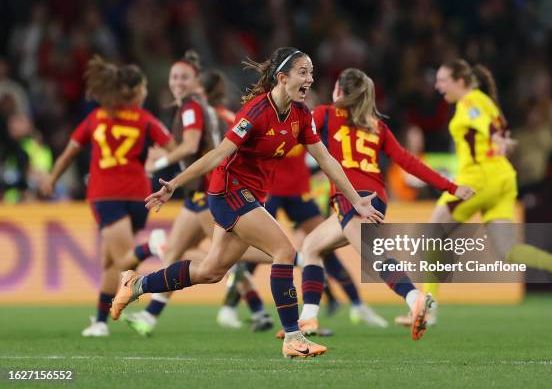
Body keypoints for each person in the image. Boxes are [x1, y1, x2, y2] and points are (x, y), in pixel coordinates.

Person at [110, 47, 384, 358]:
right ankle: (294, 337)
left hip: (252, 197)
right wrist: (174, 183)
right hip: (229, 192)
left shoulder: (301, 115)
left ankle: (137, 284)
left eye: (311, 72)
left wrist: (356, 201)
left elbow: (327, 161)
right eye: (303, 73)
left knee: (211, 272)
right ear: (282, 78)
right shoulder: (256, 111)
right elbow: (217, 155)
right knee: (285, 250)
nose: (311, 79)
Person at [288, 68, 474, 341]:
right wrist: (451, 186)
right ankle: (307, 319)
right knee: (311, 246)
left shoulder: (325, 114)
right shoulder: (376, 125)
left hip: (351, 198)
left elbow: (293, 137)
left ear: (339, 91)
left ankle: (415, 300)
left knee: (373, 257)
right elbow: (409, 162)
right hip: (375, 198)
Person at [403, 60, 552, 325]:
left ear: (461, 81)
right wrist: (499, 139)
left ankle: (427, 309)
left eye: (443, 80)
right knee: (508, 250)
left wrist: (497, 139)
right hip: (502, 178)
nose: (437, 85)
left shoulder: (470, 102)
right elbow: (491, 124)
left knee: (433, 232)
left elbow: (485, 126)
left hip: (478, 179)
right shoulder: (486, 101)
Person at [122, 55, 272, 336]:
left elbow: (191, 145)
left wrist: (159, 162)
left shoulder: (192, 108)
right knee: (178, 253)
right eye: (174, 77)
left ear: (197, 83)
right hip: (209, 192)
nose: (178, 82)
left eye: (184, 77)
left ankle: (300, 261)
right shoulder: (210, 111)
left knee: (221, 259)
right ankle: (150, 317)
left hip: (210, 191)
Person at [40, 55, 174, 336]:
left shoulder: (97, 118)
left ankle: (151, 247)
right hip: (139, 194)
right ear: (137, 91)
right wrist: (156, 163)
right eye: (145, 88)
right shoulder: (145, 119)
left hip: (106, 195)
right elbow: (173, 147)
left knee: (123, 259)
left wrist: (52, 178)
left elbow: (70, 151)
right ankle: (100, 322)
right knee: (111, 263)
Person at [218, 145, 388, 332]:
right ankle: (233, 306)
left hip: (299, 190)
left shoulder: (304, 122)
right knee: (255, 248)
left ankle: (357, 304)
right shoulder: (271, 120)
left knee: (325, 247)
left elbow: (321, 153)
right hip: (270, 189)